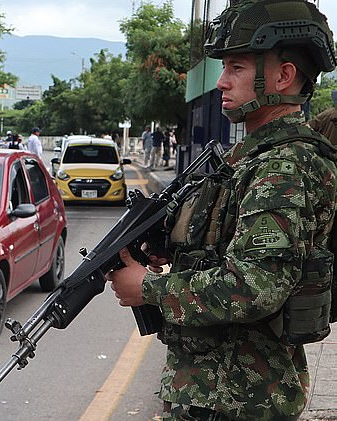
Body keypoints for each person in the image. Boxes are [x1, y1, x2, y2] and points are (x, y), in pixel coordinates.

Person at [106, 1, 337, 420]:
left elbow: (256, 286)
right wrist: (174, 253)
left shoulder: (281, 167)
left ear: (283, 76)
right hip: (216, 390)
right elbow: (231, 250)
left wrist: (149, 288)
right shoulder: (250, 159)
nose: (221, 82)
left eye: (236, 68)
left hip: (238, 398)